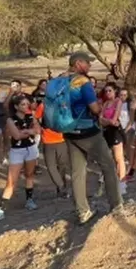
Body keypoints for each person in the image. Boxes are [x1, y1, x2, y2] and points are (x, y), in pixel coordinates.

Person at [56, 52, 124, 223]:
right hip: (88, 131)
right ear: (78, 63)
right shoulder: (83, 82)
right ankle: (116, 205)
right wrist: (100, 110)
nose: (89, 66)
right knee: (108, 165)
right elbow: (94, 109)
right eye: (87, 63)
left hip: (69, 131)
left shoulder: (58, 81)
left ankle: (82, 211)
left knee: (77, 172)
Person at [0, 93, 40, 222]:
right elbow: (16, 136)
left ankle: (29, 199)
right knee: (11, 180)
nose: (26, 106)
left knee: (29, 175)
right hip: (17, 150)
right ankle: (1, 209)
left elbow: (38, 130)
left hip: (31, 148)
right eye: (23, 104)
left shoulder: (31, 116)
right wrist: (29, 132)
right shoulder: (10, 119)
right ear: (16, 106)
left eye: (27, 104)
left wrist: (27, 132)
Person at [34, 98, 70, 198]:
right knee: (51, 166)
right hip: (48, 140)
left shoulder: (64, 104)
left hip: (62, 140)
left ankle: (61, 190)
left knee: (62, 166)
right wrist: (38, 127)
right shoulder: (43, 105)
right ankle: (62, 187)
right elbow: (36, 117)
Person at [99, 84, 127, 196]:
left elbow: (114, 119)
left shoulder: (117, 102)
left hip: (115, 131)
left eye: (110, 90)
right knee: (107, 156)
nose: (108, 93)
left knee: (118, 157)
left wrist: (107, 121)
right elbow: (100, 119)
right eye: (106, 91)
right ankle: (109, 181)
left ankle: (122, 183)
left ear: (115, 91)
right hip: (107, 131)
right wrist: (107, 121)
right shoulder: (105, 103)